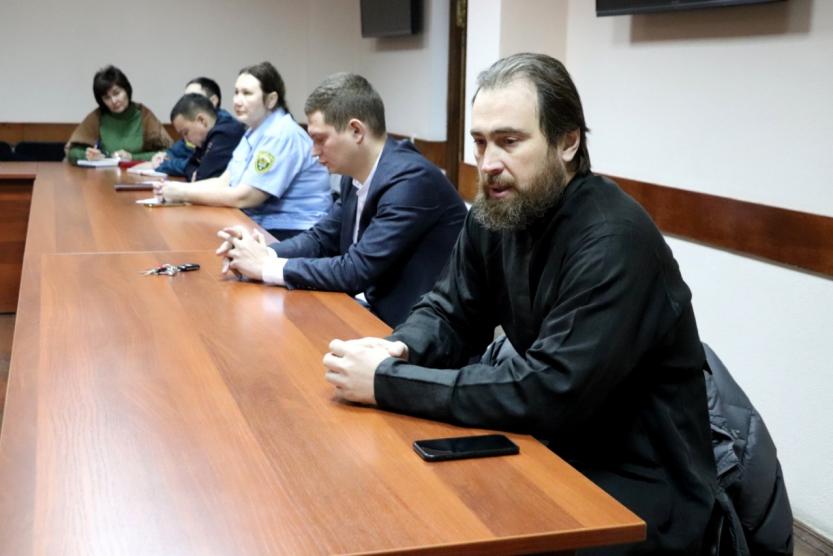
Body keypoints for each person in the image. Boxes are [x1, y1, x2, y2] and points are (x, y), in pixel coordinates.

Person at [321, 54, 719, 554]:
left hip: (639, 487)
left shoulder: (614, 239)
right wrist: (397, 350)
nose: (488, 163)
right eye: (480, 142)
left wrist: (387, 383)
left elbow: (550, 391)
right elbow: (448, 310)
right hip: (550, 447)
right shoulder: (497, 212)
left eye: (509, 142)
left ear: (567, 142)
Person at [215, 73, 467, 327]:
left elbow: (355, 270)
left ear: (356, 131)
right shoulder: (353, 175)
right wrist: (263, 253)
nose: (314, 152)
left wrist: (265, 267)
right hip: (372, 312)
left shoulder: (411, 181)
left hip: (417, 331)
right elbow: (322, 238)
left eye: (320, 139)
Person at [154, 62, 331, 240]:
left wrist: (183, 193)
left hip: (296, 230)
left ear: (271, 99)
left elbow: (246, 197)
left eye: (247, 93)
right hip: (265, 223)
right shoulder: (253, 131)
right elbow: (224, 181)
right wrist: (176, 188)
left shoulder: (281, 133)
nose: (237, 101)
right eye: (236, 92)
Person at [66, 65, 172, 165]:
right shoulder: (97, 116)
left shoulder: (144, 115)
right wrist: (88, 156)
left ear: (126, 90)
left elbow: (168, 153)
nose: (114, 101)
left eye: (116, 93)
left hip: (138, 174)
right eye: (107, 98)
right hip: (104, 175)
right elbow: (72, 151)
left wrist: (132, 157)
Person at [153, 77, 234, 176]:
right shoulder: (199, 132)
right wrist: (164, 157)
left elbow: (202, 174)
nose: (187, 102)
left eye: (195, 96)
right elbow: (186, 160)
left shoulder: (225, 131)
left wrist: (193, 170)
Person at [168, 93, 245, 181]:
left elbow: (203, 178)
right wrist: (195, 172)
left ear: (202, 120)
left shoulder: (225, 133)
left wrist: (197, 174)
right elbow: (190, 165)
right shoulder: (206, 137)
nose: (186, 140)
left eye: (186, 132)